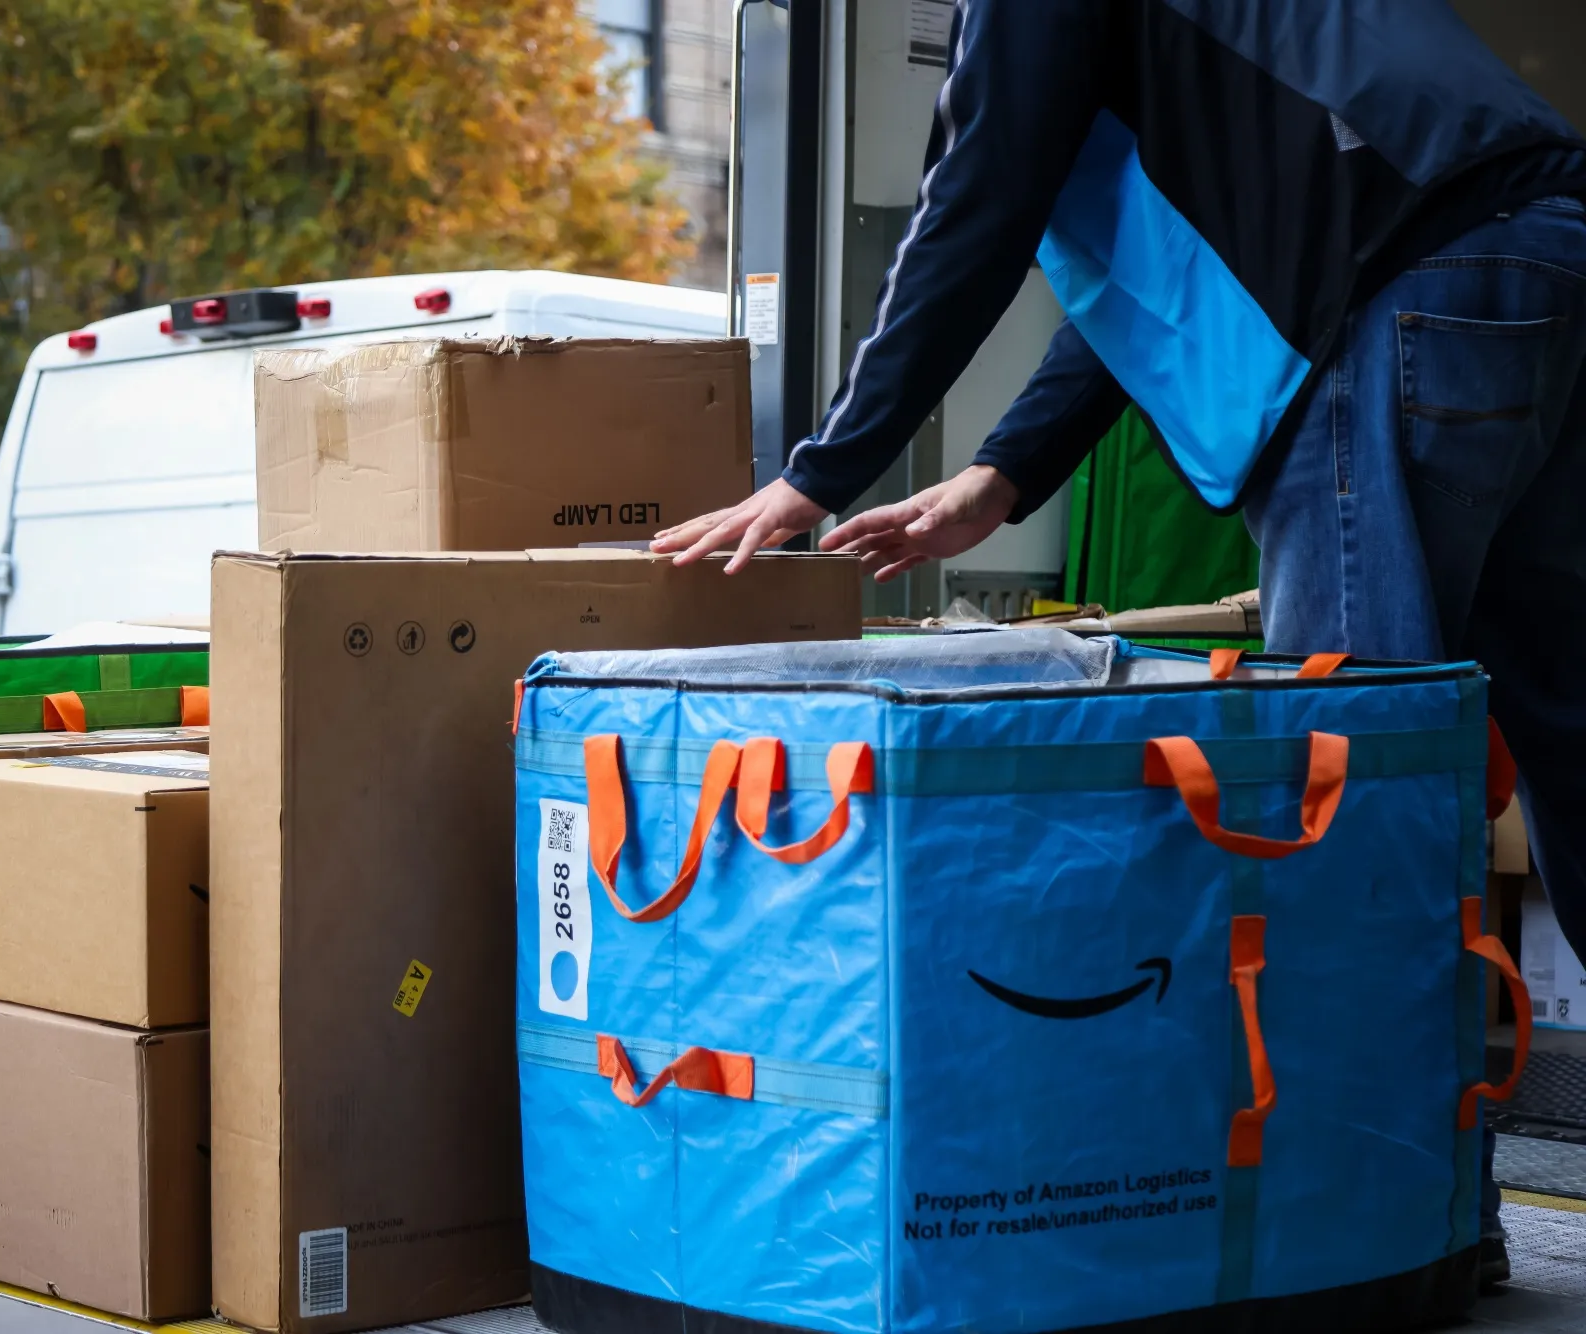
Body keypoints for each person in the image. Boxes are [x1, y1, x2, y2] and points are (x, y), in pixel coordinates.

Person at [653, 0, 1586, 1287]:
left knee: (1343, 791)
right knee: (1571, 731)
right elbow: (1173, 265)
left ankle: (1384, 1236)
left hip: (1399, 291)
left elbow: (978, 199)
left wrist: (817, 472)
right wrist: (1000, 472)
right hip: (1536, 255)